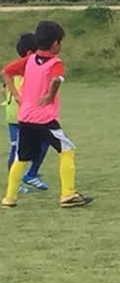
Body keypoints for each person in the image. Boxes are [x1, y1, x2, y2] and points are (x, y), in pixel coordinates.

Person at [1, 21, 93, 209]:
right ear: (55, 44)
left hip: (24, 118)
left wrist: (17, 95)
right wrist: (50, 94)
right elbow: (57, 78)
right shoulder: (55, 62)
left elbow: (6, 72)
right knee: (67, 150)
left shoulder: (29, 60)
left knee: (21, 157)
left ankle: (9, 198)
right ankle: (67, 194)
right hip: (44, 119)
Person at [2, 33, 50, 193]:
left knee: (43, 142)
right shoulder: (26, 68)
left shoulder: (17, 66)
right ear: (30, 53)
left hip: (17, 113)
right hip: (21, 115)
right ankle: (17, 181)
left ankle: (31, 174)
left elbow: (4, 87)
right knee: (19, 149)